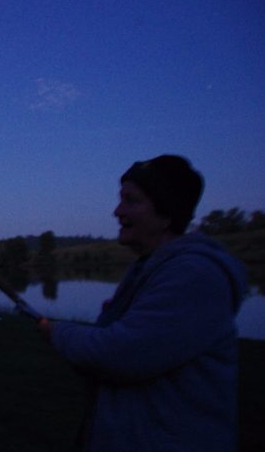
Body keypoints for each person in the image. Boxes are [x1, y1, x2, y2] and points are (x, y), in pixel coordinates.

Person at [38, 155, 247, 451]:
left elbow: (117, 355)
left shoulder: (194, 275)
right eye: (120, 199)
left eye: (131, 201)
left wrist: (56, 331)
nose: (117, 211)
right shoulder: (151, 268)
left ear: (166, 214)